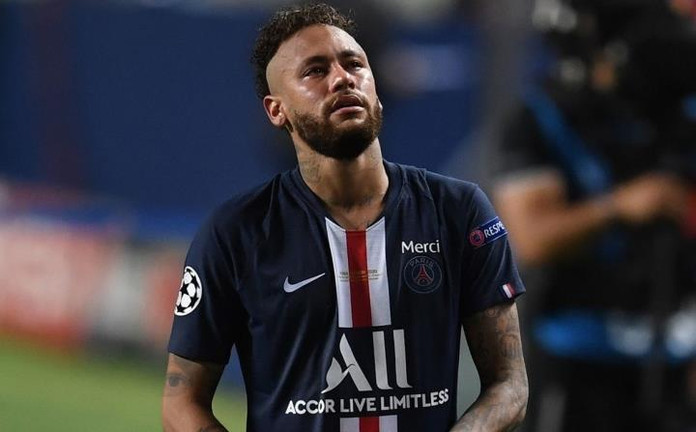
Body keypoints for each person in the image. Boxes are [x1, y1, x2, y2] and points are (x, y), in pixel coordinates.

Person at [161, 4, 528, 431]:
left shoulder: (458, 211)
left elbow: (509, 385)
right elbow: (181, 402)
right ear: (276, 110)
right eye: (315, 71)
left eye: (354, 64)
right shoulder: (235, 233)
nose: (342, 78)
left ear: (376, 88)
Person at [491, 1, 696, 430]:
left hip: (674, 355)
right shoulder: (542, 117)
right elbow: (532, 240)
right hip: (580, 361)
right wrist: (618, 207)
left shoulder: (674, 114)